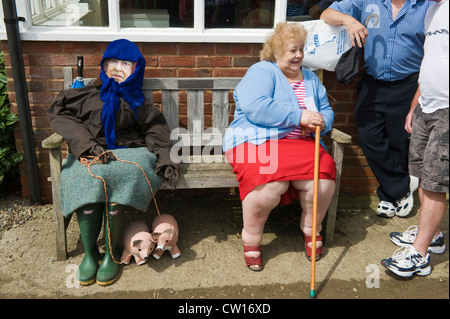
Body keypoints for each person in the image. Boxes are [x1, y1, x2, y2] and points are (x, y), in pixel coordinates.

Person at [46, 39, 179, 285]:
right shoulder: (86, 95)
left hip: (130, 152)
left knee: (121, 175)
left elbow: (156, 129)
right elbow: (59, 113)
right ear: (104, 65)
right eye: (113, 61)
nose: (118, 67)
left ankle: (111, 254)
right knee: (83, 176)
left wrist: (165, 158)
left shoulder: (138, 101)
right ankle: (90, 254)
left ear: (136, 70)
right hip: (92, 152)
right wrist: (85, 144)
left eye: (126, 63)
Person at [223, 22, 336, 271]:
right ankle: (251, 238)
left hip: (301, 144)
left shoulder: (310, 78)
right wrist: (299, 117)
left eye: (301, 49)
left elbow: (326, 110)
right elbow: (256, 105)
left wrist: (321, 121)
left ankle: (311, 229)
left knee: (323, 178)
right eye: (292, 50)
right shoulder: (263, 71)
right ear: (276, 52)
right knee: (269, 185)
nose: (298, 55)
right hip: (258, 140)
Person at [321, 1, 434, 218]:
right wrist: (349, 20)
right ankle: (402, 189)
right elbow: (326, 14)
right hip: (373, 83)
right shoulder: (365, 1)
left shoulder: (426, 5)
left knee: (400, 141)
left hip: (409, 85)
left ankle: (387, 196)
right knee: (368, 136)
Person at [381, 0, 448, 278]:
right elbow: (430, 60)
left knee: (435, 182)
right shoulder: (432, 11)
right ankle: (431, 234)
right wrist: (415, 105)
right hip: (427, 105)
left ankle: (419, 255)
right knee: (420, 174)